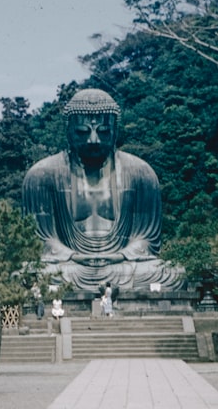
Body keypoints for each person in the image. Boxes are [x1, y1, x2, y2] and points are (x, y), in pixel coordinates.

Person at [22, 88, 184, 293]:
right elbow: (41, 240)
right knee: (30, 273)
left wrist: (121, 255)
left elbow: (146, 239)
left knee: (170, 272)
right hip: (70, 265)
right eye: (83, 132)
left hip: (122, 264)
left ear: (115, 131)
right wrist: (72, 256)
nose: (93, 140)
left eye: (103, 131)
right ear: (68, 131)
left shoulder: (141, 173)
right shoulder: (42, 175)